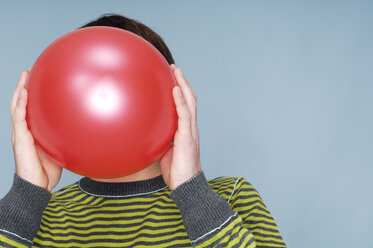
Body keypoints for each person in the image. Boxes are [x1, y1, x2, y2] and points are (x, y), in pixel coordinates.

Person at [0, 13, 287, 248]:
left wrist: (194, 193)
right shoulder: (34, 217)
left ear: (174, 95)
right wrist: (25, 196)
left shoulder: (231, 197)